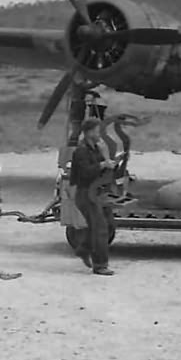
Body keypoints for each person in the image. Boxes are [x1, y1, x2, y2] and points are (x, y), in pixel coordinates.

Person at [69, 118, 117, 276]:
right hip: (86, 194)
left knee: (100, 225)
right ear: (89, 132)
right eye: (97, 131)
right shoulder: (81, 151)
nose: (99, 134)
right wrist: (103, 164)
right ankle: (100, 265)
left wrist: (106, 156)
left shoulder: (95, 148)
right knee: (101, 228)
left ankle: (83, 249)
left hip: (95, 192)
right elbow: (85, 173)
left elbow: (103, 170)